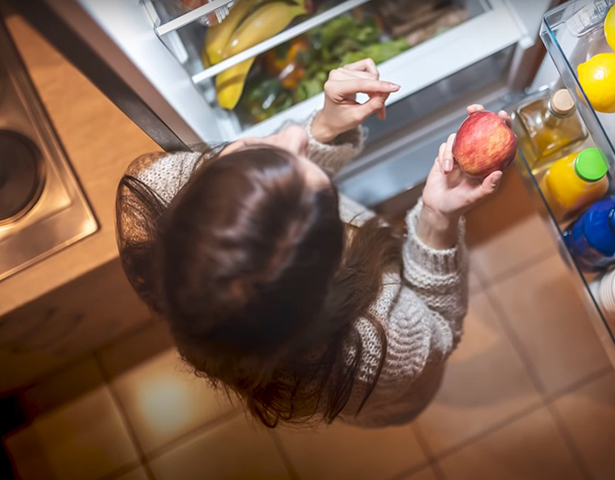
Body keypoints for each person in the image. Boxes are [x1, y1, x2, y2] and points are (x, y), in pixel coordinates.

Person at [116, 59, 510, 428]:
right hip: (396, 393)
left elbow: (275, 199)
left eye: (251, 152)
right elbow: (438, 330)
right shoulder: (374, 348)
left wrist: (323, 128)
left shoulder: (163, 189)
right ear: (332, 256)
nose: (292, 133)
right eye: (326, 195)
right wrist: (438, 217)